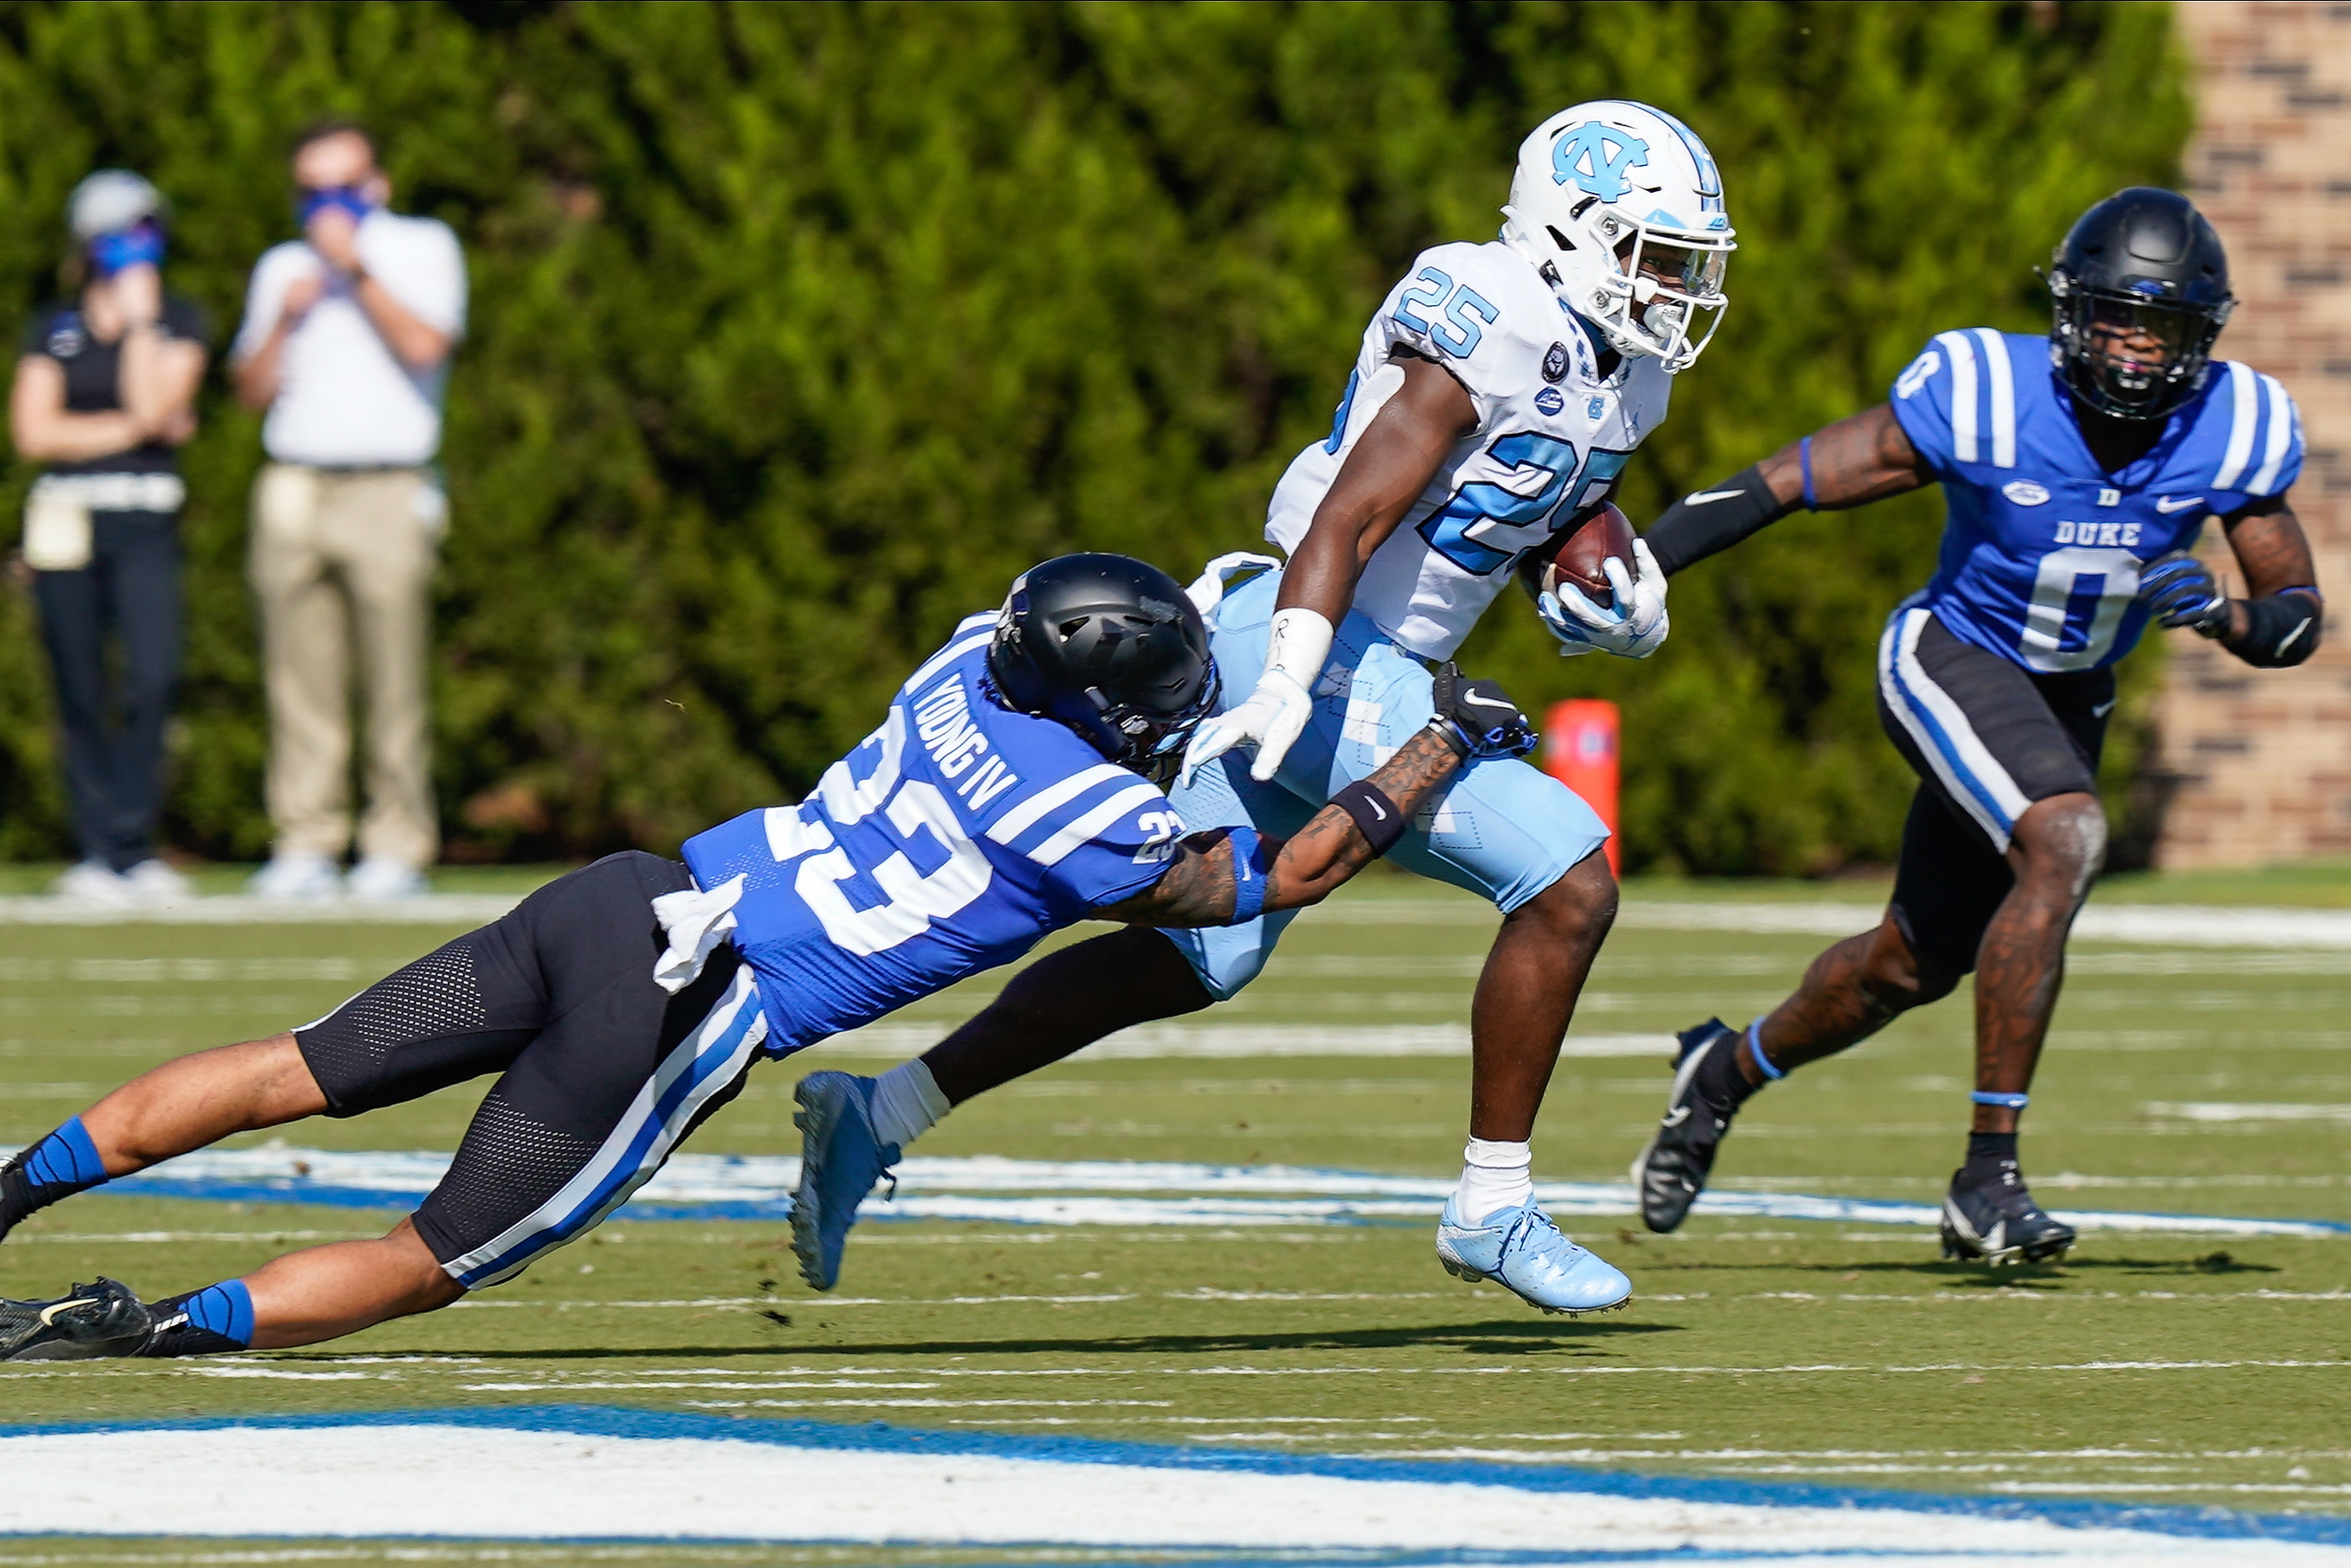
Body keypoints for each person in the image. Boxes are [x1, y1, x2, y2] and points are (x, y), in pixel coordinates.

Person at [0, 553, 1525, 1361]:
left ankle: (15, 1184)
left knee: (290, 1067)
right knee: (428, 1258)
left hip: (618, 896)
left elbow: (1040, 666)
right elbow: (1282, 871)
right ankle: (149, 1331)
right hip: (690, 1000)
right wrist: (1441, 748)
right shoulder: (1102, 818)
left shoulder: (954, 665)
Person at [794, 101, 1733, 1316]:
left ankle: (877, 1113)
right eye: (1654, 254)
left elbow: (1539, 500)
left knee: (1201, 944)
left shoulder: (1626, 370)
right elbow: (1350, 512)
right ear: (1571, 229)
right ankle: (1491, 1203)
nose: (1671, 289)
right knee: (1569, 877)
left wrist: (1608, 575)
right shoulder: (1488, 308)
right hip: (1313, 634)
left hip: (1357, 655)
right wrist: (1291, 678)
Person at [1629, 188, 2324, 1265]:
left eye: (2164, 331)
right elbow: (1792, 478)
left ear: (2203, 338)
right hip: (1952, 655)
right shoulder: (1988, 392)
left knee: (1908, 965)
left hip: (2068, 697)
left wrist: (2227, 612)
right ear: (2070, 315)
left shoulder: (2233, 425)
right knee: (2066, 836)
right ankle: (1985, 1176)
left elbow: (2292, 625)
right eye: (2117, 322)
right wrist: (1640, 562)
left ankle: (1720, 1070)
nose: (2137, 355)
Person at [233, 120, 466, 902]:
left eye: (342, 187)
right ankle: (305, 839)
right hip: (294, 479)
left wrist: (354, 272)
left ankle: (395, 844)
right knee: (298, 676)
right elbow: (249, 390)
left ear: (378, 185)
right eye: (312, 189)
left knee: (393, 675)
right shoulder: (281, 266)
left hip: (389, 485)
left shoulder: (423, 247)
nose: (326, 204)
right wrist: (286, 317)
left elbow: (428, 347)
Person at [10, 171, 208, 904]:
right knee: (78, 683)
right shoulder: (53, 326)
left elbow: (160, 405)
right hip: (65, 518)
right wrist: (135, 427)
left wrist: (140, 325)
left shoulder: (178, 320)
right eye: (120, 237)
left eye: (145, 234)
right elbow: (35, 432)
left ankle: (135, 845)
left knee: (152, 677)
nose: (135, 250)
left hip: (144, 513)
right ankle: (96, 850)